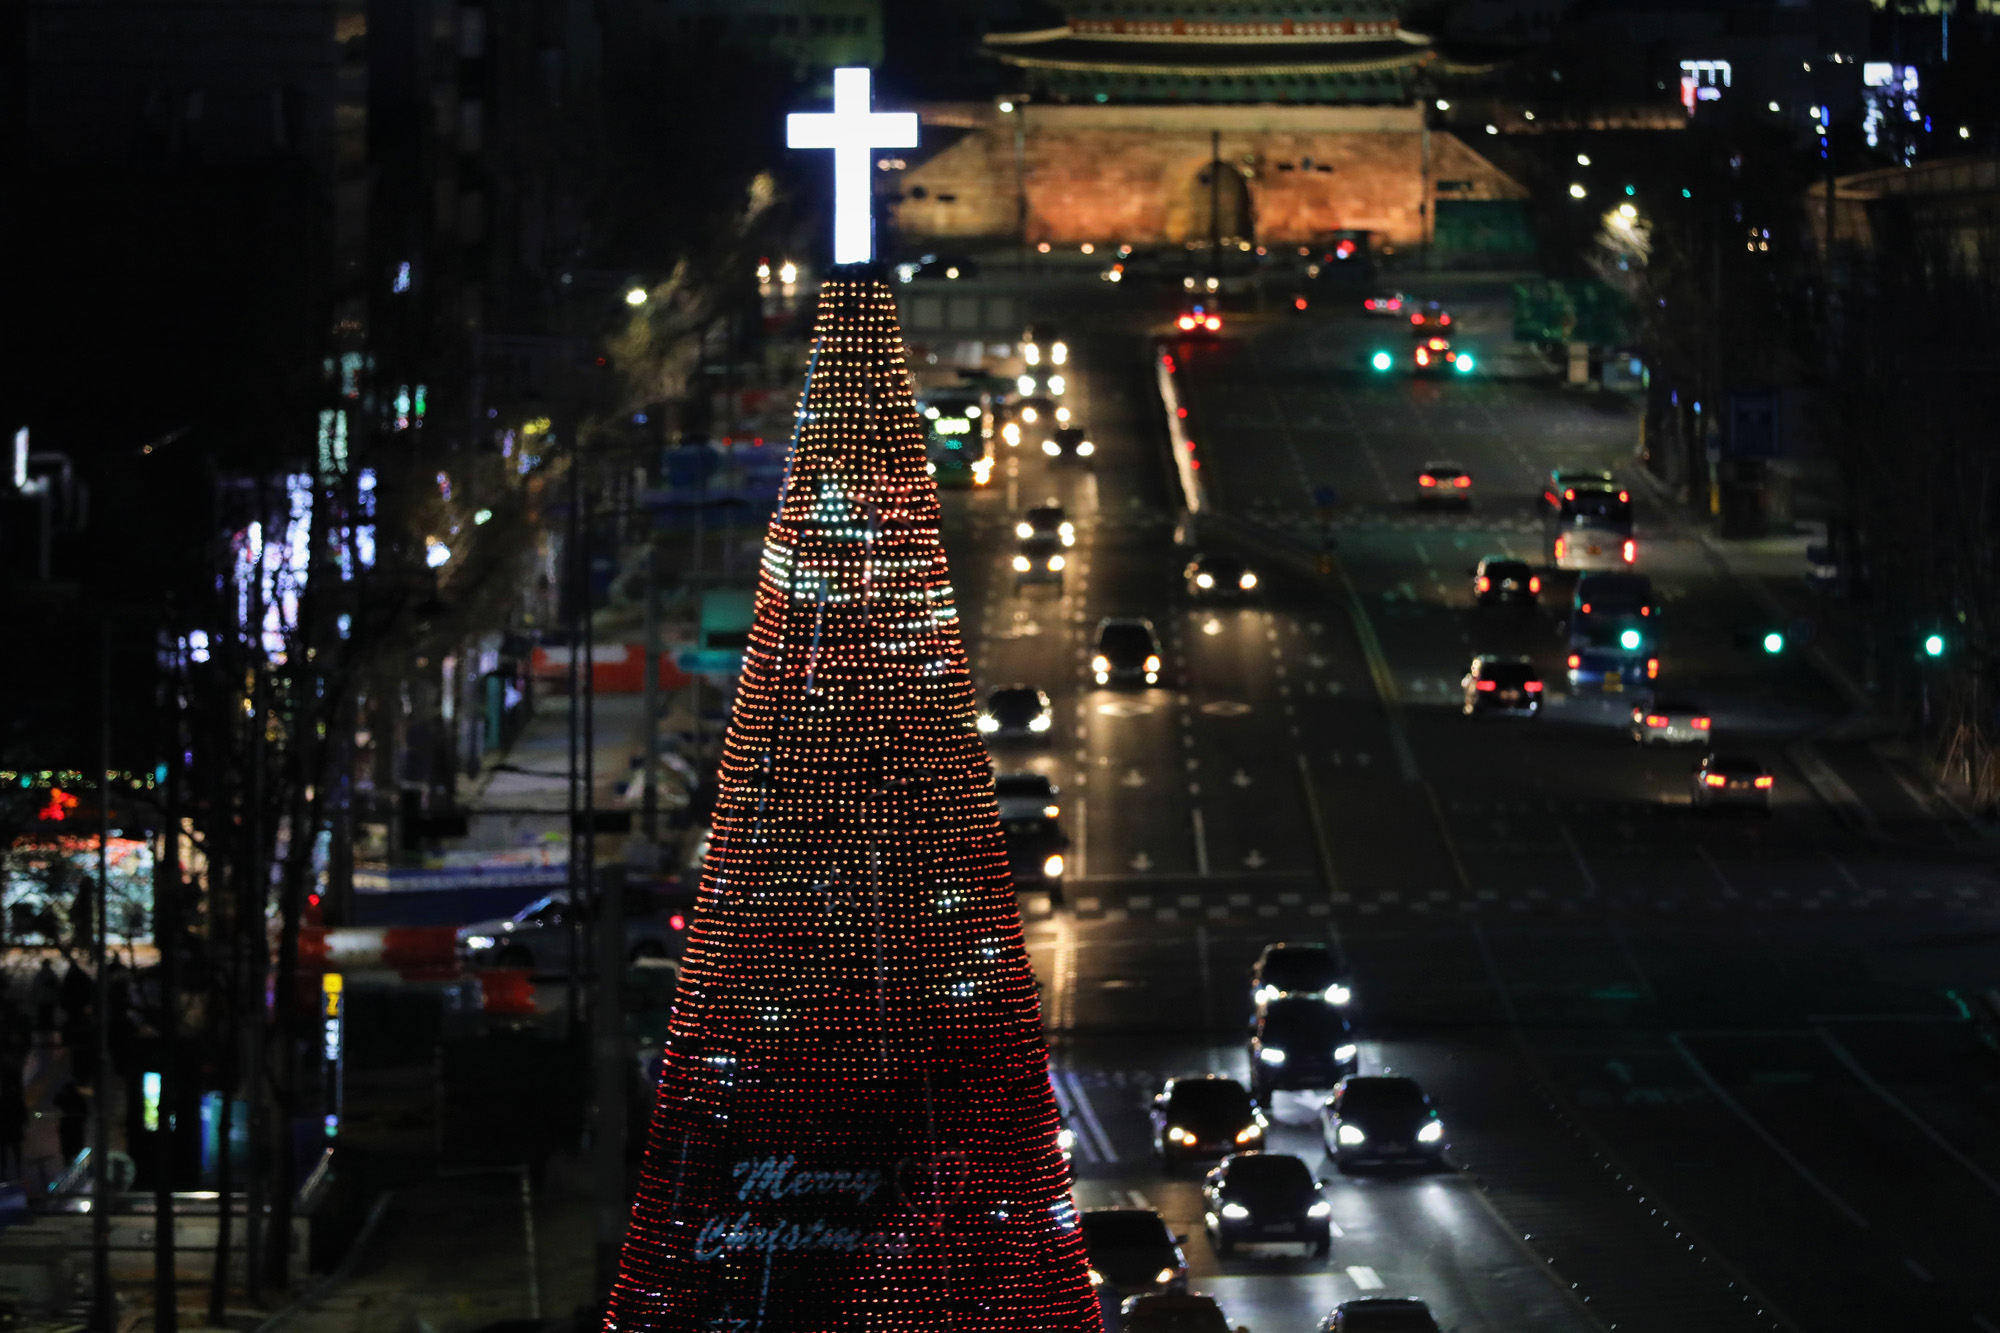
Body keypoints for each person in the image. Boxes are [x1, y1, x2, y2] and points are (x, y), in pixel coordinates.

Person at [53, 1082, 87, 1167]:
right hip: (71, 1129)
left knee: (72, 1155)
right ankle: (71, 1170)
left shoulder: (76, 1100)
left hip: (73, 1129)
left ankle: (74, 1170)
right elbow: (56, 1100)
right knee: (70, 1154)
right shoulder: (76, 1099)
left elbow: (85, 1114)